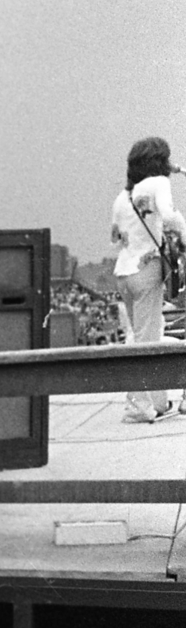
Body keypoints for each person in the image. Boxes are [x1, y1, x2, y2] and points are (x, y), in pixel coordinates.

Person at [110, 136, 186, 422]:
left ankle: (157, 399)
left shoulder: (122, 196)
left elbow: (115, 235)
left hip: (124, 272)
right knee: (146, 342)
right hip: (147, 269)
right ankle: (138, 406)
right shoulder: (159, 184)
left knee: (143, 335)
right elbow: (170, 216)